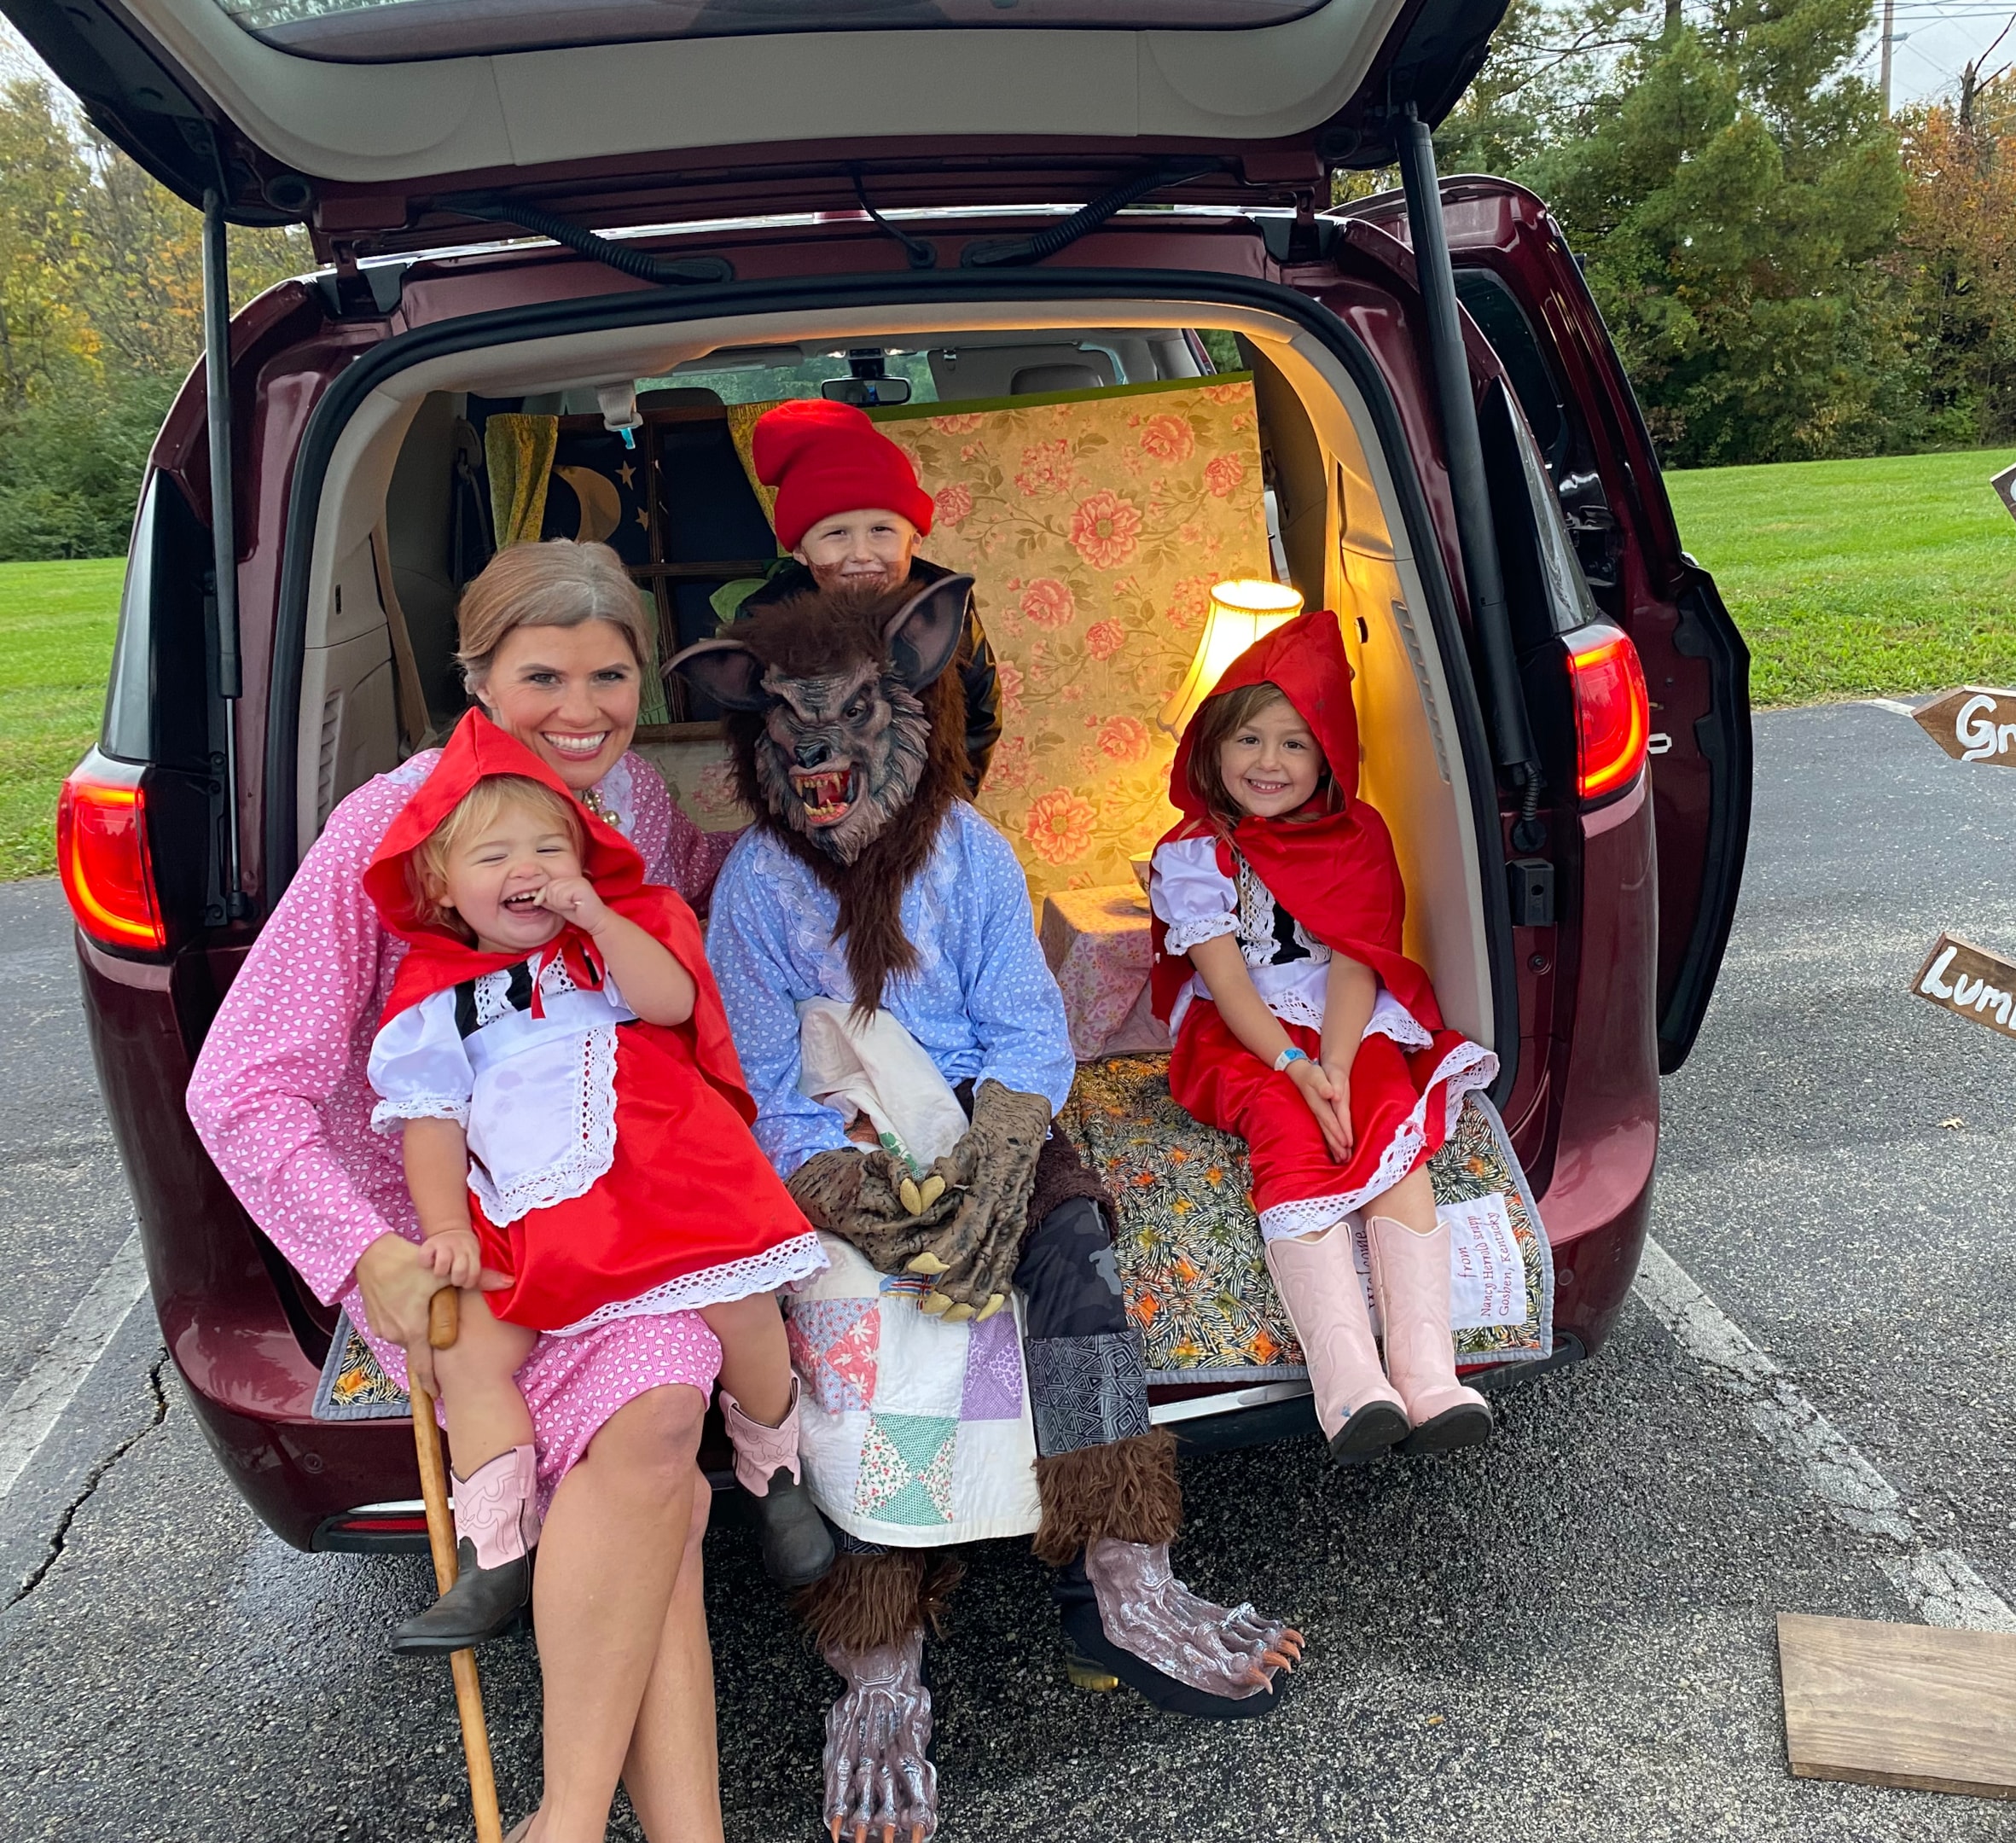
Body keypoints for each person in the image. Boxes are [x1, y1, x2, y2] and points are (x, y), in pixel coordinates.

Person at [674, 571, 1302, 1843]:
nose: (821, 752)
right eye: (792, 723)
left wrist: (1004, 1161)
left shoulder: (970, 851)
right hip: (843, 1130)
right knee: (855, 1329)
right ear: (753, 729)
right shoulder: (751, 889)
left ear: (913, 701)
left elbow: (1026, 1026)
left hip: (986, 1105)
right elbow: (759, 1076)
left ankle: (1129, 1572)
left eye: (852, 714)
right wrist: (856, 1196)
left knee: (1074, 1254)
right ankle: (879, 1662)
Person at [187, 540, 739, 1843]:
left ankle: (576, 1820)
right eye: (543, 675)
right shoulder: (391, 823)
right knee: (664, 1481)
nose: (583, 709)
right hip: (441, 1235)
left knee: (661, 1443)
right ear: (477, 679)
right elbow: (241, 1085)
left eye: (612, 675)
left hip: (616, 1214)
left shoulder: (637, 810)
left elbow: (696, 915)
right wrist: (357, 1251)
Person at [366, 712, 838, 1654]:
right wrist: (443, 1225)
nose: (527, 869)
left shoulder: (607, 945)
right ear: (442, 886)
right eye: (493, 855)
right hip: (533, 1210)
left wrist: (597, 914)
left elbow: (671, 1003)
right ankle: (496, 1548)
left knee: (746, 1308)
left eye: (550, 846)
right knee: (470, 1352)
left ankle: (776, 1478)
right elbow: (432, 1123)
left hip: (666, 1186)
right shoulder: (436, 998)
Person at [1147, 609, 1502, 1462]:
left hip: (1341, 1021)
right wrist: (1299, 1068)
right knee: (1285, 1124)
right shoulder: (1196, 851)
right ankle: (1350, 1386)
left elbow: (1356, 964)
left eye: (1296, 744)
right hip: (1246, 1032)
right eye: (1250, 741)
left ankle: (1427, 1374)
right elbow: (1228, 981)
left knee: (1389, 1120)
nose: (1269, 763)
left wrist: (1338, 1063)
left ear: (1330, 755)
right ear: (1213, 748)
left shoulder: (1358, 836)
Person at [737, 397, 1002, 788]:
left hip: (926, 795)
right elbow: (756, 733)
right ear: (799, 550)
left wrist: (953, 795)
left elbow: (980, 708)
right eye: (836, 534)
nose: (862, 555)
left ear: (914, 538)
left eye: (881, 530)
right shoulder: (767, 615)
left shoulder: (940, 603)